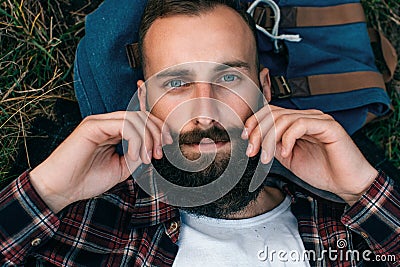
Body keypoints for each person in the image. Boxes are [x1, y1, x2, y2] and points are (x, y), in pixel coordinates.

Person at [0, 0, 398, 266]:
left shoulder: (353, 228)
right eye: (176, 83)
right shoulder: (87, 219)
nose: (206, 109)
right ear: (143, 101)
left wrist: (360, 190)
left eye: (228, 76)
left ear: (265, 89)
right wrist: (50, 192)